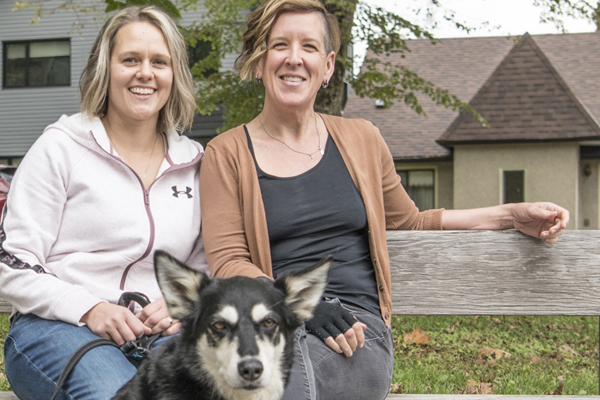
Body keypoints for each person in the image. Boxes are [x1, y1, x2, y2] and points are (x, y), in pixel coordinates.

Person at [198, 0, 570, 399]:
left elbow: (411, 222)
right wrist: (295, 306)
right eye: (279, 46)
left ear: (328, 66)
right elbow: (229, 260)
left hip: (357, 330)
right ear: (258, 61)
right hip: (273, 321)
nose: (294, 59)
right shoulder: (226, 152)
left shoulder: (362, 139)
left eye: (308, 47)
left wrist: (511, 214)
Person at [0, 6, 208, 399]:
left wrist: (182, 302)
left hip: (160, 334)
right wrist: (90, 307)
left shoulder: (195, 164)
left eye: (159, 62)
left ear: (173, 75)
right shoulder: (60, 148)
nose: (145, 72)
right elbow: (12, 262)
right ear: (105, 68)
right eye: (130, 59)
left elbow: (207, 262)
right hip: (59, 329)